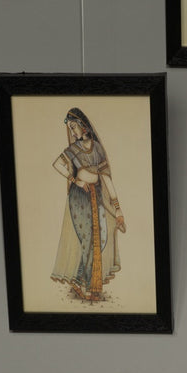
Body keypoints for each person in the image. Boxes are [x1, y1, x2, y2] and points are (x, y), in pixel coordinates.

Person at [50, 108, 126, 301]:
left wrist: (117, 209)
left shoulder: (97, 149)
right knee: (87, 240)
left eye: (74, 127)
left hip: (97, 194)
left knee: (100, 237)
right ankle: (87, 286)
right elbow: (57, 164)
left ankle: (79, 280)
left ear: (84, 126)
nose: (72, 132)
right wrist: (74, 180)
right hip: (79, 197)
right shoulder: (73, 150)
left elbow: (106, 179)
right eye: (70, 128)